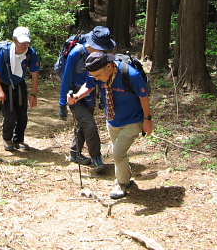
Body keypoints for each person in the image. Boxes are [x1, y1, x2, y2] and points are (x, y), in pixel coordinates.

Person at [68, 51, 153, 199]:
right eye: (95, 76)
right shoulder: (96, 72)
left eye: (99, 76)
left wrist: (147, 120)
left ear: (109, 66)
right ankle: (125, 176)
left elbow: (143, 97)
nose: (97, 79)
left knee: (117, 153)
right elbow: (89, 86)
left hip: (132, 120)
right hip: (112, 119)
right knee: (120, 153)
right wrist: (76, 96)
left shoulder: (131, 75)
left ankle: (120, 184)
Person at [58, 26, 116, 172]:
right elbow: (66, 78)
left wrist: (104, 98)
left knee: (83, 124)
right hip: (74, 95)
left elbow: (104, 78)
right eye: (101, 47)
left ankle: (75, 153)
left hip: (90, 94)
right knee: (89, 124)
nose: (103, 50)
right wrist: (62, 103)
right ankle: (96, 157)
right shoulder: (76, 53)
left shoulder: (102, 55)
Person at [0, 26, 41, 151]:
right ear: (14, 40)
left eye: (27, 43)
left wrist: (34, 95)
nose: (25, 46)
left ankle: (18, 140)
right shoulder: (4, 52)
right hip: (4, 84)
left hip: (19, 83)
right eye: (22, 43)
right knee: (10, 116)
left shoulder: (31, 53)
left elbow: (35, 74)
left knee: (22, 115)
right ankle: (7, 139)